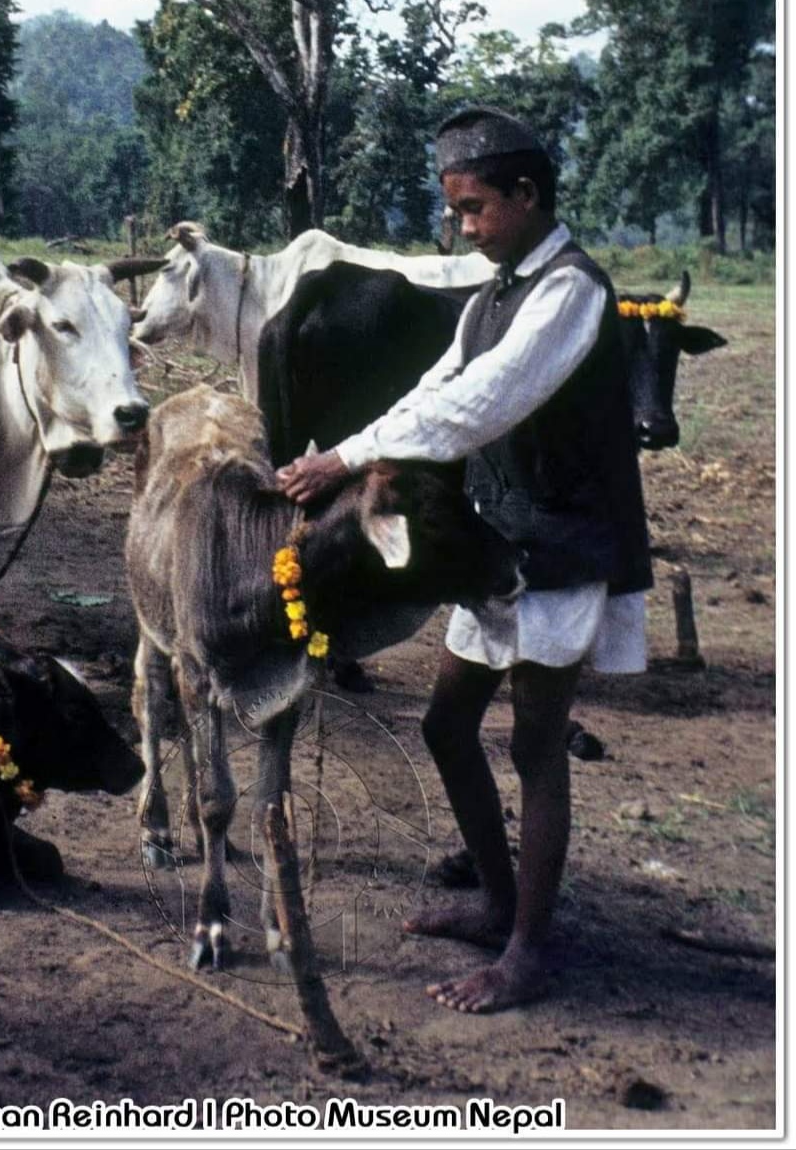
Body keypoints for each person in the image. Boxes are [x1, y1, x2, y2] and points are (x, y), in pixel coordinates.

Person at [276, 106, 653, 1013]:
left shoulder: (571, 291)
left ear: (527, 196)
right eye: (455, 211)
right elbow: (436, 387)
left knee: (534, 744)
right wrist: (351, 448)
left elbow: (482, 405)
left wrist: (348, 458)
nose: (463, 227)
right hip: (502, 538)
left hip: (563, 546)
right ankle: (495, 898)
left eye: (476, 208)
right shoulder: (492, 295)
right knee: (447, 727)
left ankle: (528, 949)